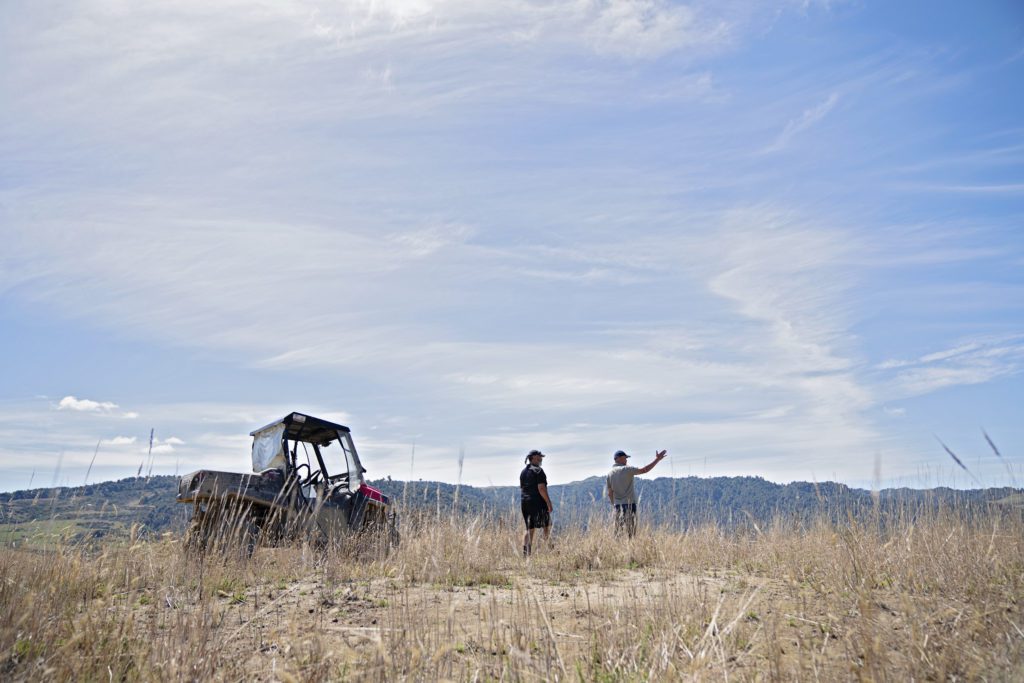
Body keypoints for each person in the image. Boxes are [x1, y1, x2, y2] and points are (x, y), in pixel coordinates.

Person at [606, 449, 667, 538]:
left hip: (618, 506)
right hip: (630, 505)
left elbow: (610, 493)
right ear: (618, 458)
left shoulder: (609, 474)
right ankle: (631, 550)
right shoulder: (627, 469)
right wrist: (657, 460)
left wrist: (614, 504)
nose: (626, 460)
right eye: (625, 458)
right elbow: (644, 470)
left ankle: (616, 550)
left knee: (618, 533)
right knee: (631, 533)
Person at [519, 449, 553, 556]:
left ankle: (526, 555)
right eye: (539, 457)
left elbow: (522, 487)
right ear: (533, 458)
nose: (541, 459)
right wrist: (548, 502)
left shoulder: (523, 472)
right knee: (547, 526)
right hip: (537, 502)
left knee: (530, 529)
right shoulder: (538, 471)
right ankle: (547, 551)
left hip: (525, 502)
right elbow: (541, 488)